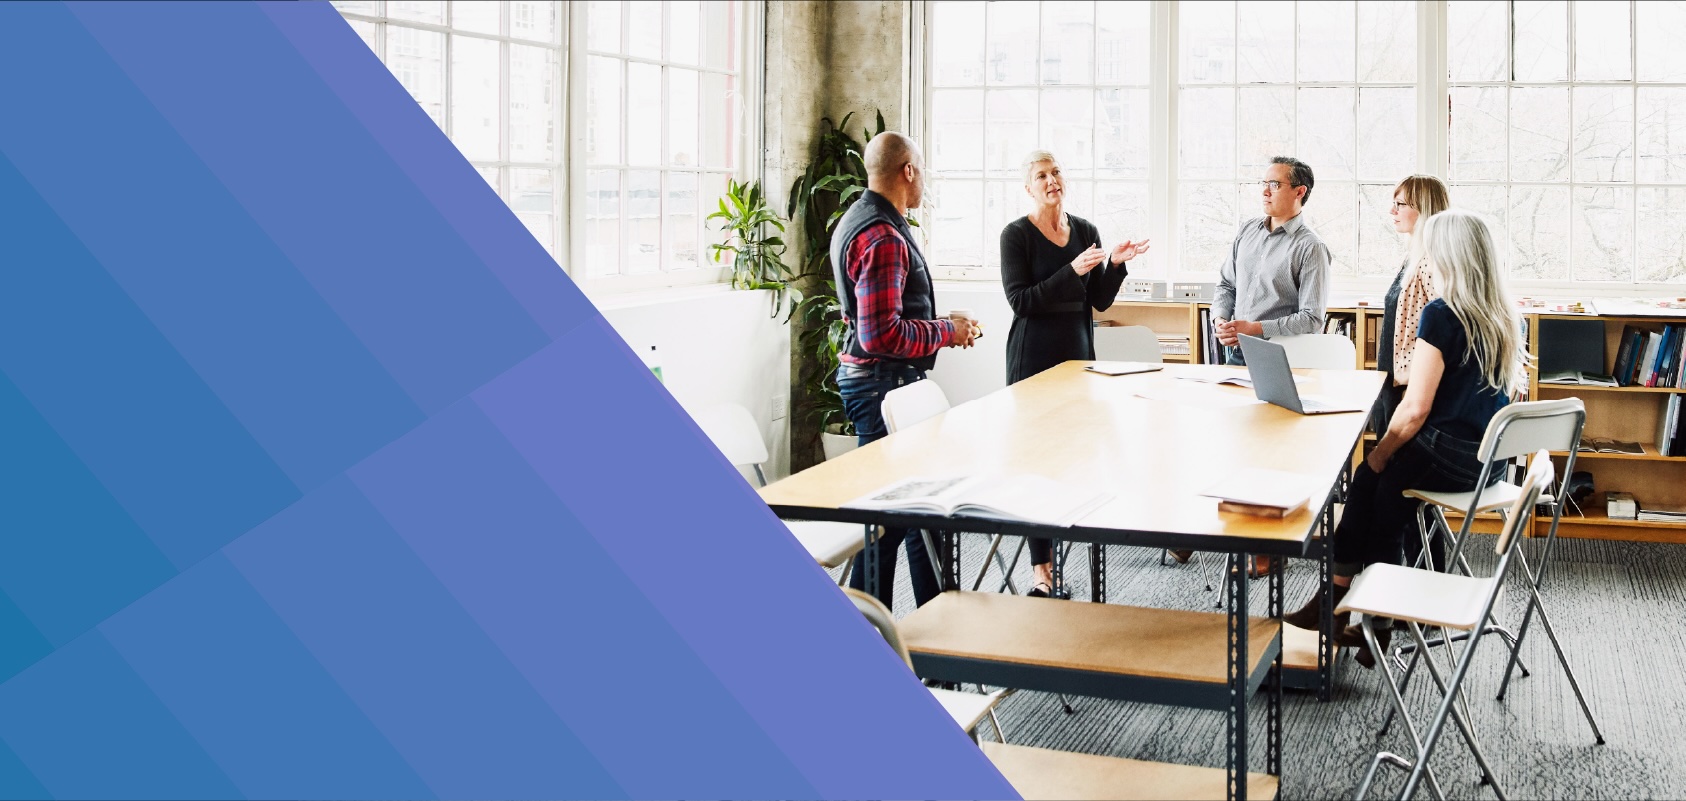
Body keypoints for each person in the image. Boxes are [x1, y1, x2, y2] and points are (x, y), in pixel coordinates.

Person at [1282, 209, 1525, 669]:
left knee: (1375, 480)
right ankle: (1347, 609)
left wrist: (1382, 452)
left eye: (1431, 251)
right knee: (1374, 487)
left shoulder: (1441, 314)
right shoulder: (1506, 315)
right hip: (1488, 460)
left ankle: (1370, 616)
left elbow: (1414, 411)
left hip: (1446, 454)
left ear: (1448, 256)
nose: (1426, 259)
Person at [833, 131, 979, 611]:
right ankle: (882, 642)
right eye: (923, 169)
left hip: (879, 383)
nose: (925, 181)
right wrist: (945, 332)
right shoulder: (883, 235)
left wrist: (942, 325)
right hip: (883, 388)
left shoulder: (860, 219)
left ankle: (934, 632)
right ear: (908, 171)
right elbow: (881, 336)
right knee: (890, 522)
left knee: (917, 514)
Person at [1000, 149, 1149, 598]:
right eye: (1041, 175)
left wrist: (1117, 264)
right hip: (1033, 361)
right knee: (1038, 466)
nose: (1052, 180)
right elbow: (1021, 301)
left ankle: (1079, 551)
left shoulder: (1085, 231)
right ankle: (1041, 570)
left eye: (1057, 172)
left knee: (1078, 459)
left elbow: (1099, 300)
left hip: (1079, 358)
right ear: (1029, 188)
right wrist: (1070, 270)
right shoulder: (1016, 236)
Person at [1178, 156, 1330, 572]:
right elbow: (1225, 284)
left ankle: (1267, 551)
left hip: (1279, 360)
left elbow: (1312, 318)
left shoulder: (1310, 247)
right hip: (1234, 352)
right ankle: (1196, 534)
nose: (1264, 191)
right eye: (1262, 182)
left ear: (1299, 192)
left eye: (1275, 184)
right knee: (1228, 448)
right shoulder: (1247, 231)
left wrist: (1256, 328)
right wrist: (1220, 317)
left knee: (1270, 457)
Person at [1376, 175, 1451, 570]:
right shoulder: (1414, 255)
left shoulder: (1432, 262)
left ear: (1425, 210)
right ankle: (1414, 584)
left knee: (1407, 497)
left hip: (1411, 390)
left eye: (1401, 204)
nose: (1393, 211)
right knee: (1405, 499)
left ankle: (1420, 586)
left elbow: (1445, 322)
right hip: (1396, 383)